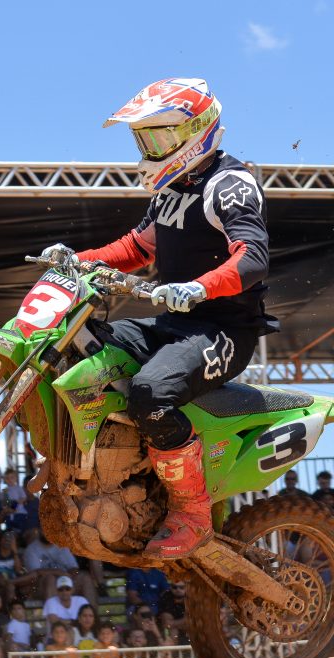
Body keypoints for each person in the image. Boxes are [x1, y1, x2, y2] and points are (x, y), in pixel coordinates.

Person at [57, 78, 273, 561]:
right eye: (145, 140)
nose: (150, 150)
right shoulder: (173, 187)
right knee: (79, 344)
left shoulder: (228, 184)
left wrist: (200, 287)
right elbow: (135, 247)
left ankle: (193, 513)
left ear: (197, 130)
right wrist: (77, 260)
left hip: (223, 330)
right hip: (175, 325)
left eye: (159, 138)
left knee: (150, 394)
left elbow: (253, 257)